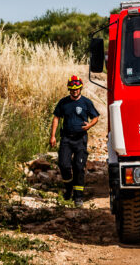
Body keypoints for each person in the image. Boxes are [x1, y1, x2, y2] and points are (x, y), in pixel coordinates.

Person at [49, 75, 100, 207]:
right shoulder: (63, 102)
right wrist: (53, 136)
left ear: (80, 88)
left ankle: (78, 197)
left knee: (78, 167)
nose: (74, 91)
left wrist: (89, 125)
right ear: (69, 89)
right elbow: (56, 118)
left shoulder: (86, 102)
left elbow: (95, 117)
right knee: (64, 165)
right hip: (66, 138)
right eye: (72, 88)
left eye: (77, 88)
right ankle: (68, 189)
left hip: (80, 139)